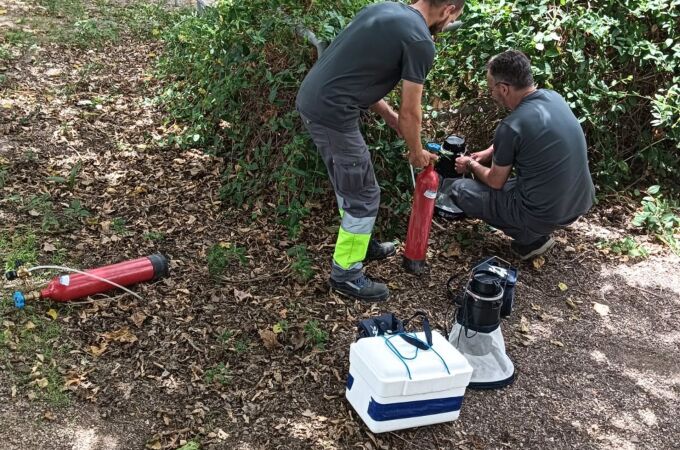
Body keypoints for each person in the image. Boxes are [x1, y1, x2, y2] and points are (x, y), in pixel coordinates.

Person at [296, 0, 464, 302]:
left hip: (318, 100)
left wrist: (390, 118)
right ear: (449, 9)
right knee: (362, 194)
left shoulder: (384, 9)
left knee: (352, 182)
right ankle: (346, 273)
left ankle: (360, 243)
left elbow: (359, 75)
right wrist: (416, 151)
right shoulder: (420, 41)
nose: (449, 26)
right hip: (332, 113)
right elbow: (411, 110)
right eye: (453, 19)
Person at [450, 49, 595, 260]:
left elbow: (495, 181)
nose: (492, 95)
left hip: (547, 213)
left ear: (504, 89)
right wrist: (491, 151)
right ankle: (537, 226)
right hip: (579, 201)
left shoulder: (510, 126)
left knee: (460, 189)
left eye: (492, 90)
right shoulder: (553, 97)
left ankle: (532, 239)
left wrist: (470, 164)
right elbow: (526, 135)